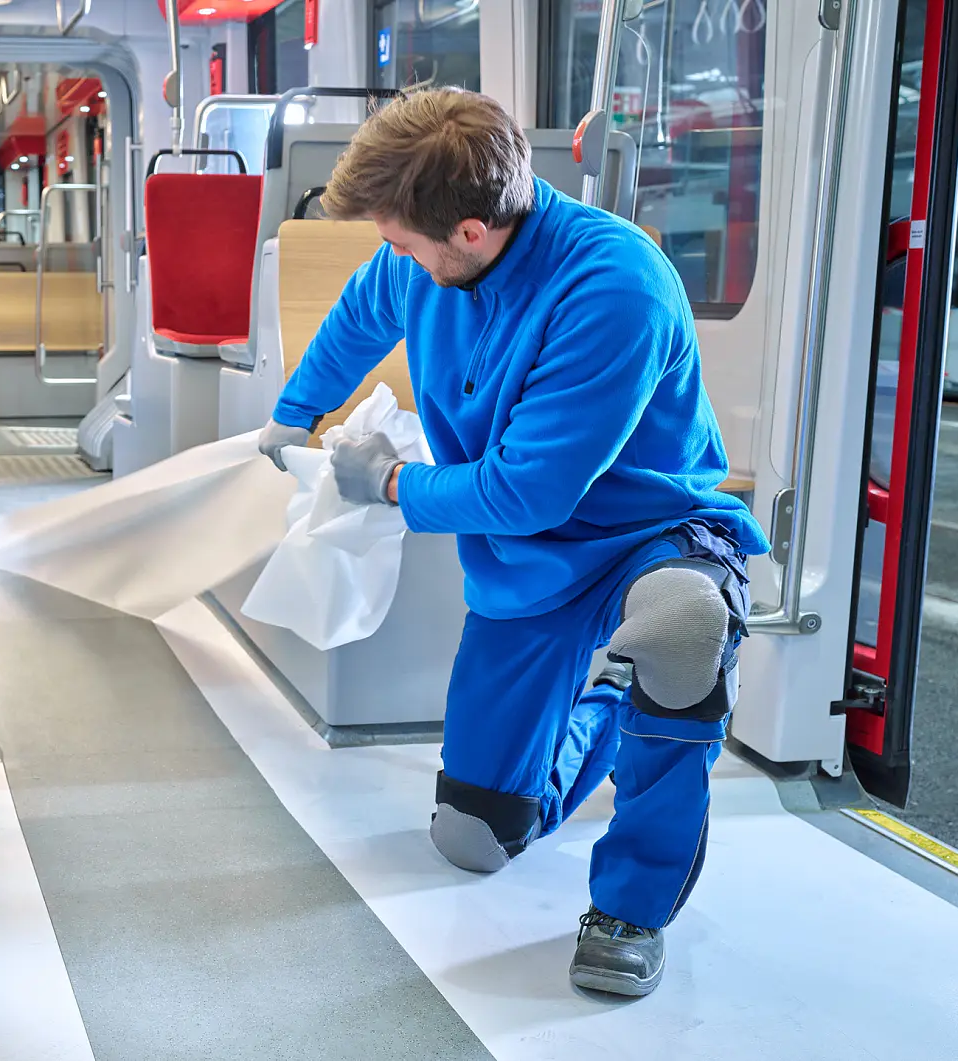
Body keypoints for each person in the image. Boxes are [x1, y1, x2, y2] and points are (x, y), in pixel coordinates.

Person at [256, 87, 768, 997]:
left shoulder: (615, 288)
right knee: (476, 839)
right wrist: (292, 417)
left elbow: (525, 489)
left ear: (470, 232)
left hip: (650, 534)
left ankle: (632, 907)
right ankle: (611, 701)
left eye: (403, 241)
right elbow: (359, 319)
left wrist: (390, 483)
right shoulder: (421, 259)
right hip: (529, 561)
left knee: (682, 628)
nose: (391, 255)